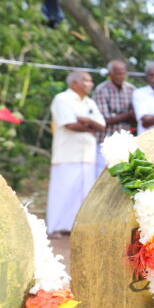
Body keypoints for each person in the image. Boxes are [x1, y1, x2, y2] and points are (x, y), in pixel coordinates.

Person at [47, 71, 105, 236]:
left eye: (91, 81)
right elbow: (69, 124)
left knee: (83, 194)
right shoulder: (62, 99)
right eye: (86, 80)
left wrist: (86, 121)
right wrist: (90, 127)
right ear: (74, 83)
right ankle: (55, 228)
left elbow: (102, 125)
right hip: (67, 154)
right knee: (62, 192)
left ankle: (74, 228)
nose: (90, 84)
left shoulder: (89, 102)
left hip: (87, 155)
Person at [93, 60, 136, 176]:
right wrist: (127, 115)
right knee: (102, 176)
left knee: (124, 176)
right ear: (110, 74)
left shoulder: (131, 89)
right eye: (118, 73)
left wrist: (117, 116)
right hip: (105, 142)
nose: (121, 76)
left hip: (124, 141)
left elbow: (135, 117)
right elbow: (103, 120)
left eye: (123, 73)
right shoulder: (101, 90)